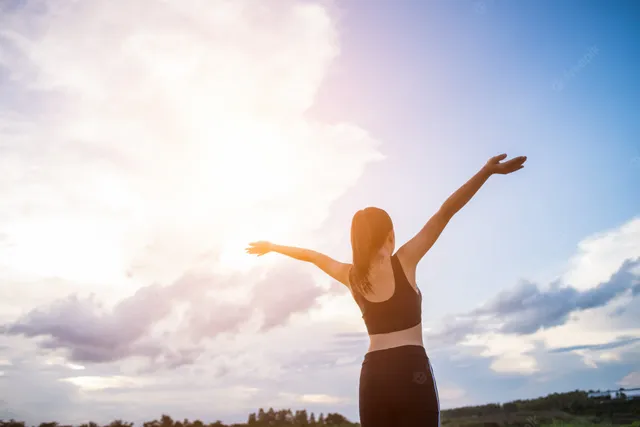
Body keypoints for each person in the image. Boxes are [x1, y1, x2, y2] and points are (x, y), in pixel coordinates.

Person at [246, 153, 527, 427]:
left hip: (374, 375)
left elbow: (311, 255)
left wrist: (272, 247)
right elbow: (446, 212)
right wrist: (486, 172)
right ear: (390, 235)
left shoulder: (350, 275)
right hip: (411, 369)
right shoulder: (405, 261)